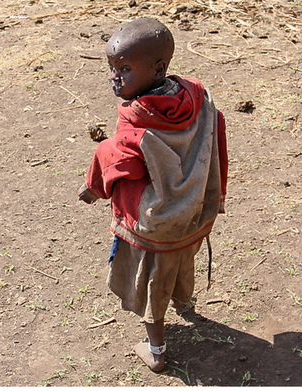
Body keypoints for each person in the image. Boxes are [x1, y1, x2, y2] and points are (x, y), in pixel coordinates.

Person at [78, 17, 228, 372]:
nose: (115, 77)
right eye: (112, 69)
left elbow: (116, 159)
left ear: (159, 69)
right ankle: (184, 301)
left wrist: (92, 188)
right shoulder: (197, 97)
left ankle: (157, 351)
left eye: (125, 69)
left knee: (151, 283)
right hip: (193, 208)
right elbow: (216, 131)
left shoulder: (138, 121)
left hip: (155, 219)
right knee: (180, 259)